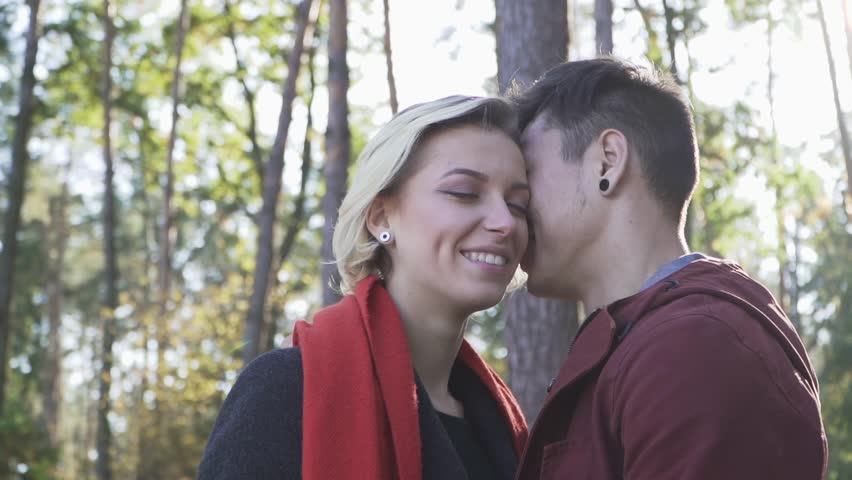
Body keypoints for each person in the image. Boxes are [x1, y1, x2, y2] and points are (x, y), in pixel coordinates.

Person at [512, 57, 827, 479]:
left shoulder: (695, 346)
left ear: (607, 162)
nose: (511, 205)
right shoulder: (653, 340)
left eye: (527, 176)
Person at [198, 95, 529, 480]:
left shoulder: (506, 426)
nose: (504, 221)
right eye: (464, 192)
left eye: (518, 204)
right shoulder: (286, 390)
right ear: (380, 217)